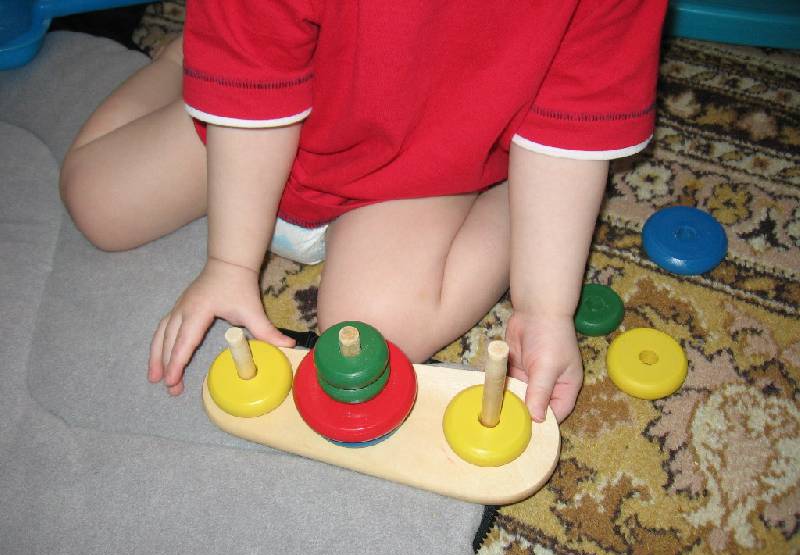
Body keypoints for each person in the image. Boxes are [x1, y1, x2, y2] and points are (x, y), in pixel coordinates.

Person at [60, 0, 667, 423]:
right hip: (267, 107)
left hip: (433, 155)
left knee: (378, 331)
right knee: (98, 200)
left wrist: (544, 306)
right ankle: (184, 61)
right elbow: (251, 71)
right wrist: (230, 262)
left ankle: (517, 186)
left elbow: (576, 112)